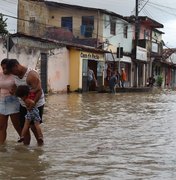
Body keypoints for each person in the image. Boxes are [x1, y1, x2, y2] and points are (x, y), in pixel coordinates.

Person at [6, 59, 45, 146]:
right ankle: (25, 147)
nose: (13, 74)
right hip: (23, 105)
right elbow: (17, 84)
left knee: (34, 126)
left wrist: (33, 103)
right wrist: (14, 90)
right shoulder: (16, 75)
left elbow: (39, 90)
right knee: (24, 125)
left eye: (13, 71)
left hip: (36, 104)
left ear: (16, 66)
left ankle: (40, 145)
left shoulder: (31, 75)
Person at [0, 58, 21, 145]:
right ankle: (1, 146)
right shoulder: (0, 75)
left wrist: (15, 91)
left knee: (17, 126)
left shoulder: (15, 75)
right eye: (2, 68)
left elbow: (20, 88)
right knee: (1, 126)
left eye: (6, 68)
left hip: (13, 101)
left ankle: (24, 144)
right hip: (1, 101)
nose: (4, 70)